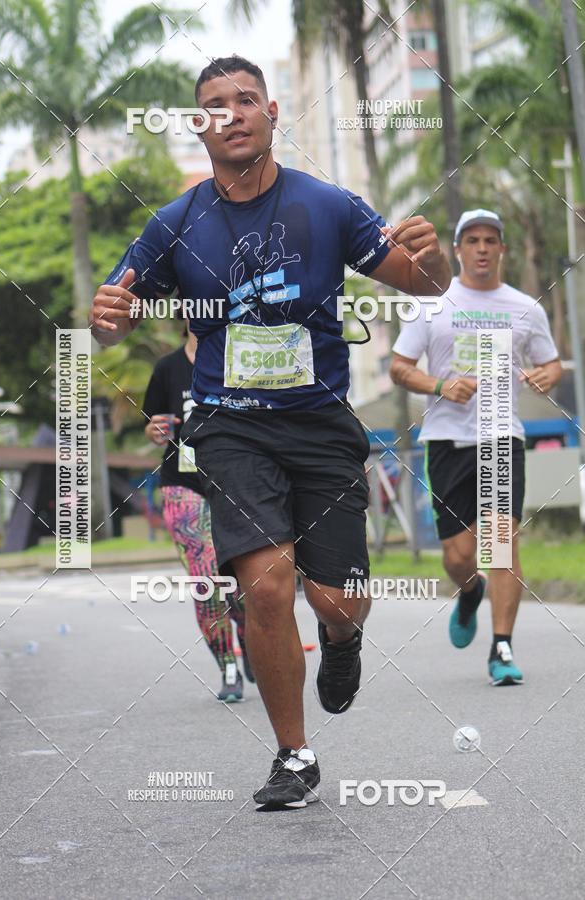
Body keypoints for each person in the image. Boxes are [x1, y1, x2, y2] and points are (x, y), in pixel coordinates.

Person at [89, 54, 450, 810]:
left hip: (320, 425)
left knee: (339, 600)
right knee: (265, 586)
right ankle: (294, 755)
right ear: (201, 125)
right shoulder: (175, 224)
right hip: (229, 427)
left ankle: (345, 641)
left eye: (246, 99)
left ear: (272, 111)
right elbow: (115, 321)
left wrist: (436, 260)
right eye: (216, 104)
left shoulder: (328, 206)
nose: (233, 113)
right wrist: (109, 325)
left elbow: (422, 283)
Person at [390, 209, 562, 686]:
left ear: (502, 249)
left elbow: (550, 366)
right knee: (458, 556)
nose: (482, 248)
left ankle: (501, 645)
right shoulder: (432, 304)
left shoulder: (527, 307)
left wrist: (547, 376)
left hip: (500, 434)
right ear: (459, 249)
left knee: (501, 543)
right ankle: (469, 591)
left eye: (491, 240)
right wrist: (439, 385)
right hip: (446, 439)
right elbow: (399, 367)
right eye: (473, 240)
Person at [142, 323, 252, 701]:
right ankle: (229, 669)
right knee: (207, 583)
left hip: (236, 484)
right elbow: (152, 422)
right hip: (183, 484)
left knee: (242, 581)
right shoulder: (167, 368)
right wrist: (155, 429)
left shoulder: (239, 358)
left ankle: (251, 640)